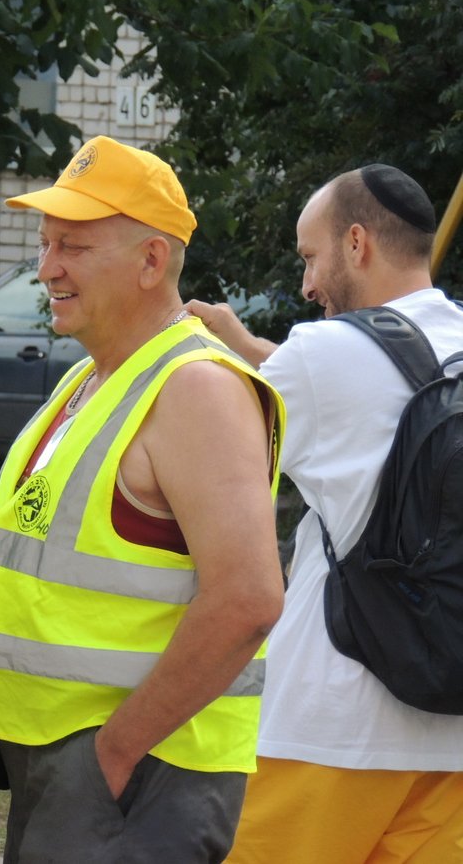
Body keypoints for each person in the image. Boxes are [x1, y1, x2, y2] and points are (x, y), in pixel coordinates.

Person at [0, 135, 287, 863]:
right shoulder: (99, 377)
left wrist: (114, 754)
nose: (47, 269)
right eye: (45, 244)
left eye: (72, 246)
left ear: (151, 260)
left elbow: (249, 600)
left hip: (136, 773)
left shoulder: (196, 387)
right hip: (77, 765)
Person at [186, 164, 463, 863]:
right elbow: (372, 403)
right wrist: (253, 350)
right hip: (450, 743)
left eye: (312, 257)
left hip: (327, 730)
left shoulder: (319, 358)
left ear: (358, 244)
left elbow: (203, 445)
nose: (308, 284)